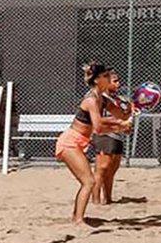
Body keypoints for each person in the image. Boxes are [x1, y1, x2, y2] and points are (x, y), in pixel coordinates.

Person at [55, 62, 131, 225]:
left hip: (78, 142)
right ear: (97, 80)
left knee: (88, 181)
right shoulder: (91, 99)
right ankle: (78, 220)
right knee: (89, 181)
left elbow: (121, 115)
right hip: (70, 142)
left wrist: (131, 109)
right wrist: (119, 125)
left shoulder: (102, 99)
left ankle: (78, 216)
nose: (109, 79)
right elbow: (98, 126)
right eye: (105, 76)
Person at [91, 70, 134, 205]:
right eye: (115, 81)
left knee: (112, 171)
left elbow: (124, 118)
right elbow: (99, 120)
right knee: (102, 169)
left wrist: (128, 120)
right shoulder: (99, 98)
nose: (118, 84)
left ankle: (108, 199)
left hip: (117, 138)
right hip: (104, 136)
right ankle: (96, 200)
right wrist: (120, 124)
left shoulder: (120, 100)